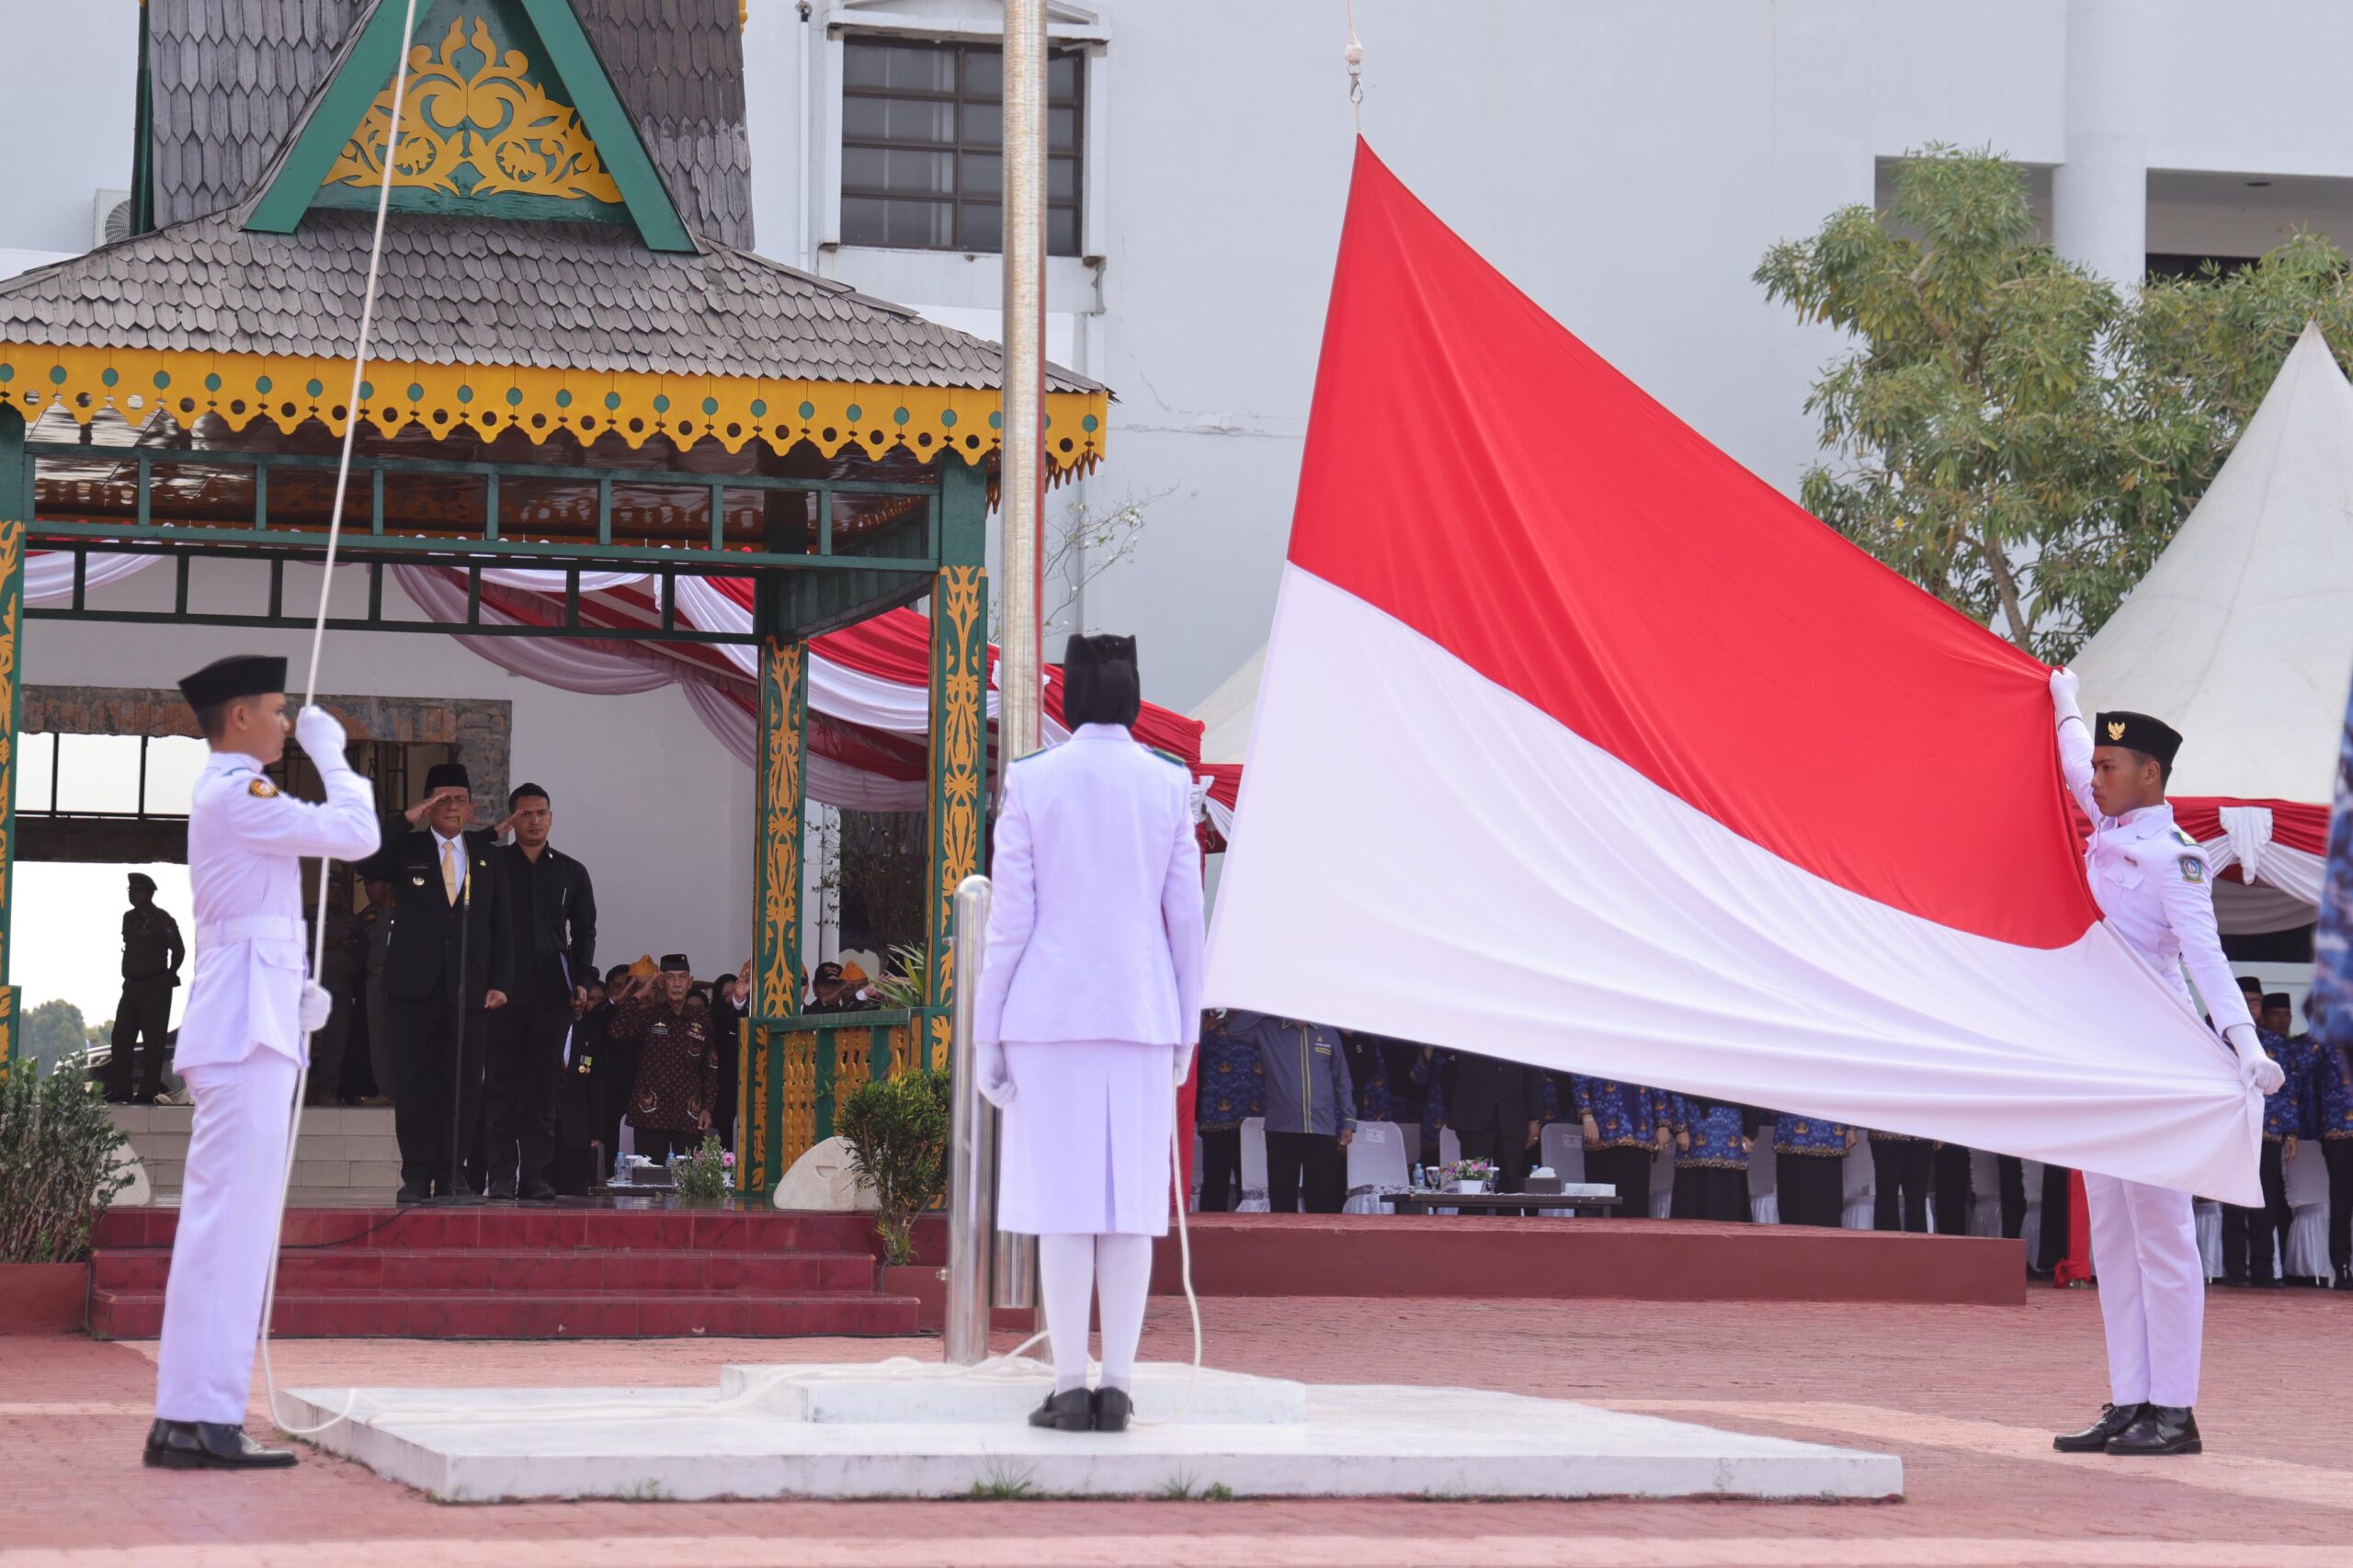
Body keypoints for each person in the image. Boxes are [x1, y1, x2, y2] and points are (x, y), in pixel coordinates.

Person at [144, 654, 378, 1471]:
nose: (288, 722)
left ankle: (189, 1414)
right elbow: (358, 835)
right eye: (278, 711)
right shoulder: (239, 792)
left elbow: (260, 919)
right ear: (239, 717)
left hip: (253, 1020)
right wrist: (333, 755)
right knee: (232, 1234)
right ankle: (203, 1417)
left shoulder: (235, 795)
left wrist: (293, 990)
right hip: (246, 1035)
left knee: (226, 1230)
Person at [971, 633, 1204, 1436]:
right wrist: (1186, 1029)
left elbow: (1010, 922)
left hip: (1049, 1016)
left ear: (1068, 698)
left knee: (1064, 1205)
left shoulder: (1033, 779)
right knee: (1130, 1208)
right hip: (1141, 1015)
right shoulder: (1169, 783)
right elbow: (1186, 923)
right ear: (1134, 696)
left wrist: (988, 1031)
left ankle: (1071, 1384)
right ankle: (1119, 1386)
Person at [2047, 675, 2283, 1459]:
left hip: (2155, 1060)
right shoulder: (2110, 818)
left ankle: (2175, 1411)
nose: (2094, 779)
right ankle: (2131, 1399)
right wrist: (2065, 703)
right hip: (2102, 1060)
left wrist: (2247, 1043)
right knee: (2114, 1240)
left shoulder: (2174, 857)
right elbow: (2071, 760)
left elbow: (2205, 958)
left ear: (2150, 774)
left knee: (2164, 1238)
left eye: (2111, 767)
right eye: (2098, 766)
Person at [371, 762, 512, 1203]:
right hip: (412, 989)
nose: (452, 806)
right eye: (442, 799)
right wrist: (405, 819)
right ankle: (416, 1174)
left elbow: (501, 924)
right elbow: (365, 858)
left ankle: (453, 1174)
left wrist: (501, 981)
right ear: (428, 805)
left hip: (469, 990)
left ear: (471, 808)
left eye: (460, 800)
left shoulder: (488, 856)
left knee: (464, 1085)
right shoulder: (406, 848)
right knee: (415, 1084)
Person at [483, 783, 597, 1201]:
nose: (535, 821)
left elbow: (584, 933)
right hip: (502, 996)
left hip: (552, 996)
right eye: (526, 814)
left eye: (542, 813)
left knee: (543, 1091)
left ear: (551, 817)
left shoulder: (571, 871)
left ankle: (534, 1176)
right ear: (512, 819)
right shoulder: (493, 865)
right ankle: (500, 1175)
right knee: (500, 1089)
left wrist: (582, 980)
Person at [1222, 1011, 1354, 1213]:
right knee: (1282, 1200)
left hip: (1322, 1127)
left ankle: (1320, 1236)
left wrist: (1348, 1120)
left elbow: (1342, 1079)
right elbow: (1235, 1031)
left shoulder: (1327, 1032)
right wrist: (1265, 1005)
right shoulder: (1269, 1029)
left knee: (1322, 1200)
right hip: (1282, 1127)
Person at [605, 955, 720, 1164]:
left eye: (682, 977)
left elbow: (710, 1068)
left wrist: (707, 1107)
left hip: (689, 1113)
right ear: (661, 982)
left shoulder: (701, 1019)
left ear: (690, 982)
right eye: (670, 977)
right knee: (649, 1176)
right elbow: (616, 1032)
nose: (676, 984)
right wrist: (639, 994)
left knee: (689, 1176)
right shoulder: (648, 1015)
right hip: (651, 1112)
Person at [106, 872, 184, 1104]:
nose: (133, 894)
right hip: (131, 987)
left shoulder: (161, 919)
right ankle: (121, 1089)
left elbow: (178, 949)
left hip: (155, 987)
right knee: (121, 1037)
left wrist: (169, 974)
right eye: (130, 890)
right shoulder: (128, 918)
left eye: (137, 890)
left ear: (149, 893)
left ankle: (147, 1092)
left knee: (153, 1041)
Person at [1435, 1047, 1548, 1196]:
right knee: (1472, 1180)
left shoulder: (1522, 1037)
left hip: (1513, 1115)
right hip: (1474, 1115)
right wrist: (1459, 1107)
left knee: (1510, 1181)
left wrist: (1535, 1119)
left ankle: (1509, 1212)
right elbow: (1448, 1074)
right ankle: (1471, 1212)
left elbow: (1533, 1077)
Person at [1574, 1075, 1674, 1219]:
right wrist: (1587, 1117)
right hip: (1601, 1136)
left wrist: (1663, 1125)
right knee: (1601, 1203)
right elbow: (1579, 1081)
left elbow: (1658, 1085)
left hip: (1639, 1137)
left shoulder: (1649, 1058)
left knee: (1634, 1204)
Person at [1193, 1010, 1262, 1211]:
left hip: (1253, 1119)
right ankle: (1209, 1227)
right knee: (1215, 1181)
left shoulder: (1260, 1030)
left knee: (1251, 1184)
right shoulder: (1213, 1028)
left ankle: (1250, 1228)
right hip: (1216, 1119)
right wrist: (1202, 1032)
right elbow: (1192, 1062)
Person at [1668, 1094, 1756, 1221]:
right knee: (1693, 1192)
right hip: (1696, 1123)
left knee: (1729, 1190)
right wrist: (1680, 1128)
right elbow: (1677, 1089)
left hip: (1732, 1125)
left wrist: (1750, 1131)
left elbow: (1750, 1089)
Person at [1773, 1113, 1855, 1228]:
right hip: (1792, 1130)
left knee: (1827, 1202)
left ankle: (1827, 1237)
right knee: (1794, 1200)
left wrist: (1852, 1128)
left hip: (1830, 1132)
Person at [1868, 1128, 1932, 1233]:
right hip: (1886, 1134)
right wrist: (1852, 1129)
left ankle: (1917, 1241)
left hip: (1921, 1135)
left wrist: (1940, 1133)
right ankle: (1887, 1241)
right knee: (1886, 1193)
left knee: (1917, 1196)